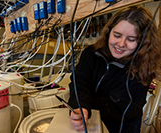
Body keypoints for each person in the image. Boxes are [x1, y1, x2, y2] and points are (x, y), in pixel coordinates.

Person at [68, 5, 161, 133]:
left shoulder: (144, 65)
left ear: (143, 42)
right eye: (117, 35)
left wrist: (87, 105)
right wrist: (79, 106)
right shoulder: (91, 53)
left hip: (123, 127)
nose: (121, 44)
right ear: (108, 32)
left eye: (131, 39)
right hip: (91, 123)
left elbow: (124, 107)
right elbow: (80, 81)